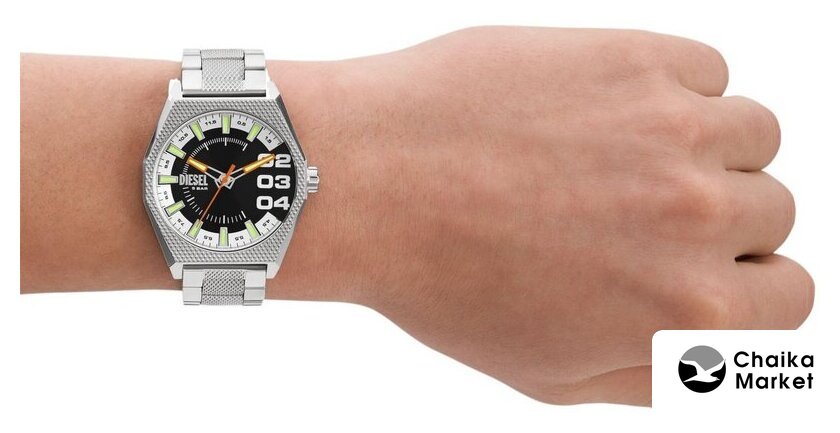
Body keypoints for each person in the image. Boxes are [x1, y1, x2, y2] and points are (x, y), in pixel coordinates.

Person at [20, 26, 813, 406]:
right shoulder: (231, 197)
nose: (226, 176)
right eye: (222, 173)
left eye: (233, 170)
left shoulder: (254, 181)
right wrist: (386, 184)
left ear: (305, 176)